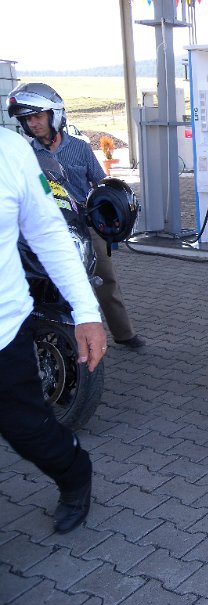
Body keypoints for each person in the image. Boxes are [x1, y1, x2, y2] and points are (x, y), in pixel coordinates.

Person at [0, 127, 107, 533]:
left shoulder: (10, 151)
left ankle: (74, 472)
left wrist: (86, 310)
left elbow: (48, 232)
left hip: (4, 333)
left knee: (30, 433)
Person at [8, 82, 144, 349]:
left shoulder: (80, 148)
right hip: (46, 227)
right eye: (27, 119)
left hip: (84, 223)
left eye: (37, 116)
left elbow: (101, 183)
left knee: (105, 280)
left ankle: (124, 333)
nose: (33, 124)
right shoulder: (25, 153)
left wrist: (111, 214)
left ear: (54, 115)